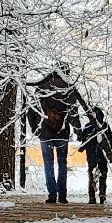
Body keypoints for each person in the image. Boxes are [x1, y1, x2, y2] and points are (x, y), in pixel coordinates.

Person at [25, 73, 81, 204]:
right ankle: (62, 195)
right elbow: (73, 113)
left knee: (48, 164)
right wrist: (78, 130)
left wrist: (36, 129)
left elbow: (31, 111)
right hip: (62, 134)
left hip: (45, 134)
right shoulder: (67, 88)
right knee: (62, 164)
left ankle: (52, 195)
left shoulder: (41, 88)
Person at [80, 107, 112, 205]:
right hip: (102, 155)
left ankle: (91, 197)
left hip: (91, 155)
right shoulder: (105, 126)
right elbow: (110, 141)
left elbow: (83, 142)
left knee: (92, 175)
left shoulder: (87, 127)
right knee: (103, 175)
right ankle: (102, 194)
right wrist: (110, 152)